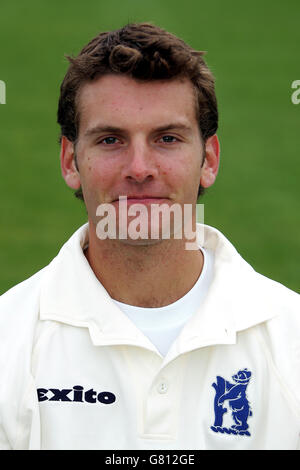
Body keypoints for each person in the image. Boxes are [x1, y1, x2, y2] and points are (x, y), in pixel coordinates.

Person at [0, 22, 299, 451]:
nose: (140, 168)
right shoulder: (8, 343)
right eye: (110, 140)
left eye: (167, 138)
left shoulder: (291, 341)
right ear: (70, 161)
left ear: (208, 160)